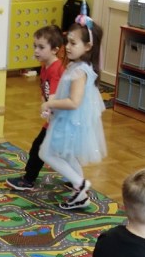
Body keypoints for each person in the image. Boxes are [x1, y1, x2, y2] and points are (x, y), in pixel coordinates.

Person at [38, 11, 107, 210]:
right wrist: (53, 104)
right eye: (67, 41)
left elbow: (74, 102)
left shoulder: (79, 71)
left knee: (46, 153)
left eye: (73, 43)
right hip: (68, 120)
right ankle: (81, 196)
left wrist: (50, 104)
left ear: (88, 46)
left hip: (69, 121)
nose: (67, 46)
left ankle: (79, 184)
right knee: (68, 156)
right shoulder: (77, 66)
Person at [7, 24, 66, 191]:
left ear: (55, 50)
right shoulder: (45, 66)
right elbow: (45, 92)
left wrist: (47, 108)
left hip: (61, 118)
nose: (36, 51)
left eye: (41, 47)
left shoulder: (56, 69)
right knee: (60, 151)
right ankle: (77, 181)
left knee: (39, 148)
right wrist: (45, 106)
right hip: (54, 117)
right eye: (35, 46)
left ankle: (28, 180)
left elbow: (54, 96)